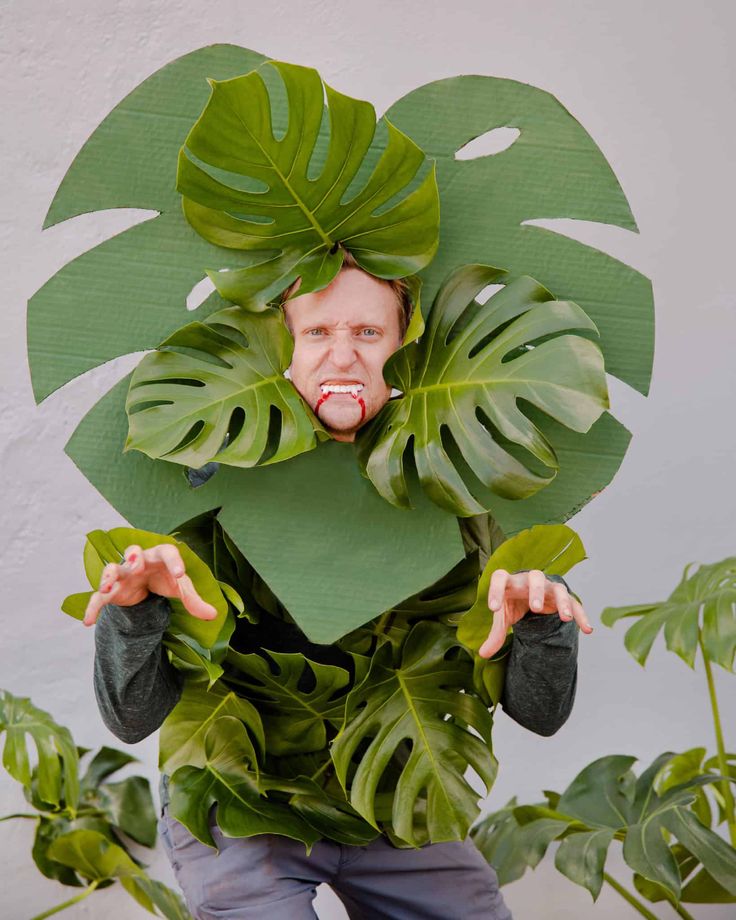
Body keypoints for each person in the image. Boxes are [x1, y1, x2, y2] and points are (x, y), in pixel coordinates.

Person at [85, 261, 592, 920]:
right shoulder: (211, 473)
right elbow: (132, 719)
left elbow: (541, 714)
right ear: (280, 346)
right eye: (317, 330)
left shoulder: (458, 482)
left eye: (369, 332)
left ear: (406, 347)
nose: (343, 355)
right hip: (246, 797)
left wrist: (539, 627)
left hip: (393, 795)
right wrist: (136, 612)